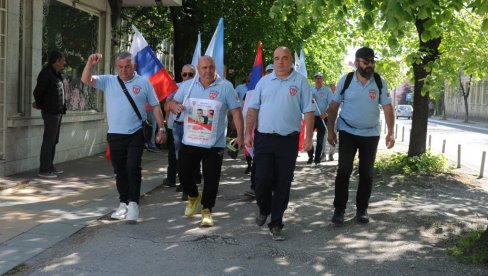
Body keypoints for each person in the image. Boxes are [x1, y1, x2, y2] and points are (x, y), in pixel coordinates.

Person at [81, 52, 166, 223]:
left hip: (136, 134)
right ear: (116, 67)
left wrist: (162, 129)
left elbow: (156, 107)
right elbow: (86, 79)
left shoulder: (143, 83)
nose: (124, 70)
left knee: (132, 167)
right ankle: (123, 204)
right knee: (120, 171)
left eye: (127, 66)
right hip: (115, 135)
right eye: (120, 67)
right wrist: (90, 63)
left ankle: (134, 203)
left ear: (134, 66)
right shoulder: (109, 81)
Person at [245, 46, 314, 241]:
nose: (280, 62)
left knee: (283, 182)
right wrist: (247, 134)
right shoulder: (264, 82)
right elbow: (253, 110)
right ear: (273, 61)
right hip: (264, 139)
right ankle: (264, 208)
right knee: (262, 179)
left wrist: (308, 137)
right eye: (276, 58)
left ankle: (276, 222)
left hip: (288, 140)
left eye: (284, 58)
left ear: (291, 60)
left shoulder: (300, 82)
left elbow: (308, 111)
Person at [169, 55, 244, 227]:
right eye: (204, 68)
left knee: (211, 179)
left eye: (211, 67)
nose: (208, 71)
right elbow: (170, 103)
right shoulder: (188, 86)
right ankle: (193, 196)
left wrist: (240, 136)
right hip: (190, 141)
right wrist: (175, 107)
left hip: (214, 144)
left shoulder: (225, 87)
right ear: (198, 69)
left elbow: (236, 113)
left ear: (215, 67)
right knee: (183, 172)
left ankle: (207, 210)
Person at [326, 46, 395, 225]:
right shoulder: (346, 80)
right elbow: (333, 107)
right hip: (348, 131)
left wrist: (391, 132)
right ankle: (339, 210)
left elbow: (388, 107)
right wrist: (330, 130)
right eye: (366, 62)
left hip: (371, 134)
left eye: (372, 61)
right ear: (357, 63)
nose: (370, 65)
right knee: (344, 170)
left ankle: (362, 209)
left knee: (367, 173)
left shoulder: (379, 81)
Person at [32, 50, 67, 178]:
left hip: (58, 112)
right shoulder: (46, 73)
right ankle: (44, 169)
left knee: (54, 140)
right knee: (48, 140)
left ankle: (50, 166)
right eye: (63, 60)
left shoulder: (56, 74)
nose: (64, 63)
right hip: (50, 112)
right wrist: (40, 105)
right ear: (57, 61)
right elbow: (37, 92)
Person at [307, 72, 334, 165]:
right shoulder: (310, 89)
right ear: (314, 79)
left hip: (322, 118)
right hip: (311, 117)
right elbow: (305, 102)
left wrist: (326, 113)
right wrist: (311, 99)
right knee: (309, 137)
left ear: (323, 79)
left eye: (320, 78)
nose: (318, 80)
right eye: (316, 78)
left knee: (320, 139)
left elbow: (332, 104)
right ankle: (310, 156)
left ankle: (317, 159)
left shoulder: (327, 91)